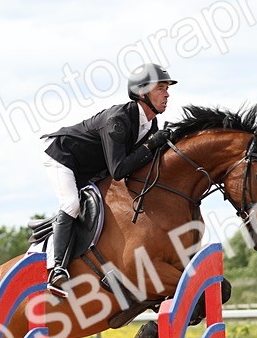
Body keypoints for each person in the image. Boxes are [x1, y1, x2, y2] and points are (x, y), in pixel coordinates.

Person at [40, 63, 178, 296]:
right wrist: (151, 144)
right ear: (142, 92)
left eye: (167, 89)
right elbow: (118, 169)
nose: (167, 94)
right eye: (161, 88)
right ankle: (57, 271)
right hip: (63, 157)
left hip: (91, 169)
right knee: (71, 204)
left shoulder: (150, 124)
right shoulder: (119, 120)